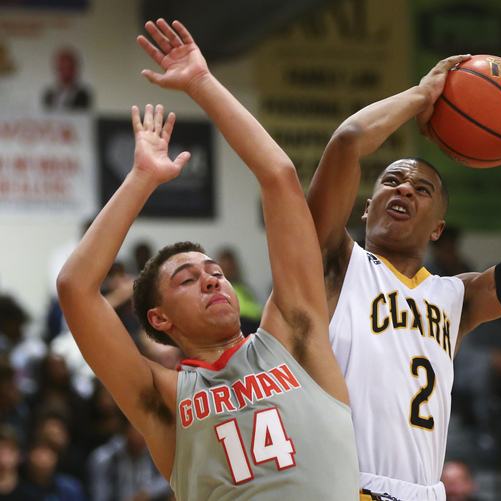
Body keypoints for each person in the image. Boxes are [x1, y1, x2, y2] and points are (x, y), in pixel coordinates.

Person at [56, 18, 359, 501]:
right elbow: (75, 288)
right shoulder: (165, 398)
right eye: (188, 279)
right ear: (159, 318)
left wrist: (201, 83)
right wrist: (141, 178)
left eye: (215, 272)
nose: (213, 281)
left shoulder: (293, 338)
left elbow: (279, 176)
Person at [306, 55, 501, 499]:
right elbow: (348, 141)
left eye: (422, 189)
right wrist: (421, 97)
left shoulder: (457, 296)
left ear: (438, 228)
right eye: (392, 181)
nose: (404, 188)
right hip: (342, 487)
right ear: (365, 208)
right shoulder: (334, 263)